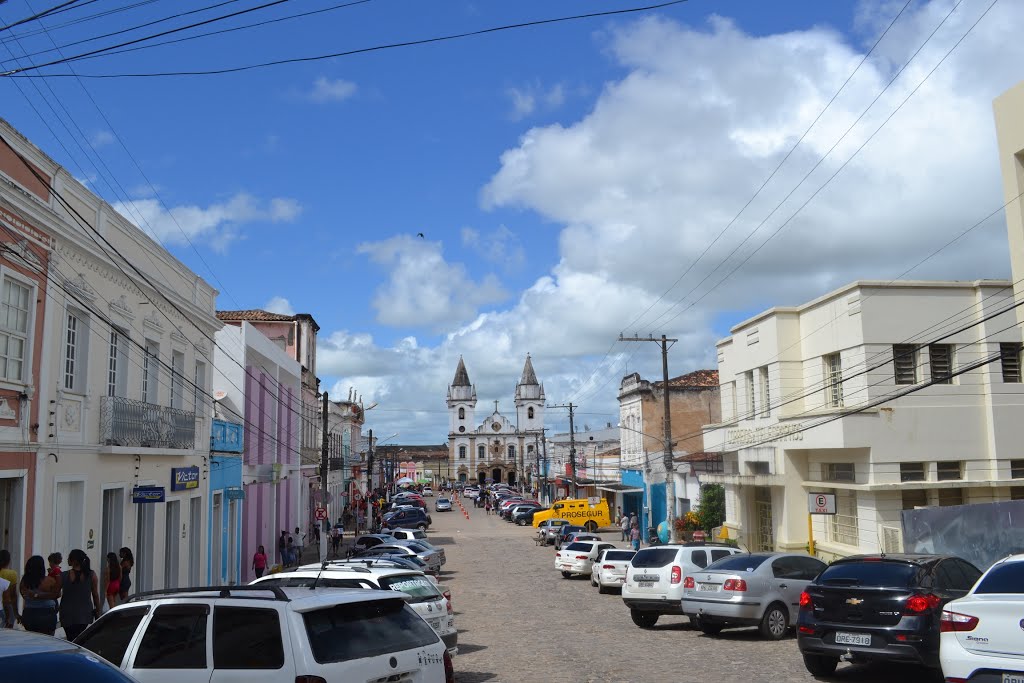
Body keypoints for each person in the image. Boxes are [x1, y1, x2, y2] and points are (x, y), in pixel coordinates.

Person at [60, 549, 101, 641]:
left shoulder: (63, 575)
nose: (67, 560)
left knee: (70, 638)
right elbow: (95, 595)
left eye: (69, 558)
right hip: (84, 613)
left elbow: (56, 592)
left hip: (67, 613)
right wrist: (98, 610)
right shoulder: (91, 575)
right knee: (80, 638)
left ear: (73, 560)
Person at [19, 555, 59, 635]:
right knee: (48, 640)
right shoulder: (49, 580)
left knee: (32, 639)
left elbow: (23, 595)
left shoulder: (24, 581)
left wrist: (34, 595)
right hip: (47, 613)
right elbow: (57, 594)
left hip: (29, 613)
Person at [1, 549, 18, 629]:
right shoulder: (12, 574)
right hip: (7, 606)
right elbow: (13, 595)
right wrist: (16, 612)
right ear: (8, 561)